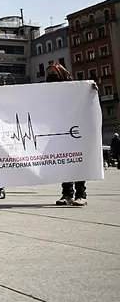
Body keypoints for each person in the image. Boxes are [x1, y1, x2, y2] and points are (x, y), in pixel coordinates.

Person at [46, 63, 88, 206]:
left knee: (77, 162)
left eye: (53, 72)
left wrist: (91, 90)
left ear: (61, 73)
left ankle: (81, 194)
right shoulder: (45, 90)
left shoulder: (74, 88)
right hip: (58, 130)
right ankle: (67, 193)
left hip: (75, 129)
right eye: (48, 73)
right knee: (64, 162)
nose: (50, 75)